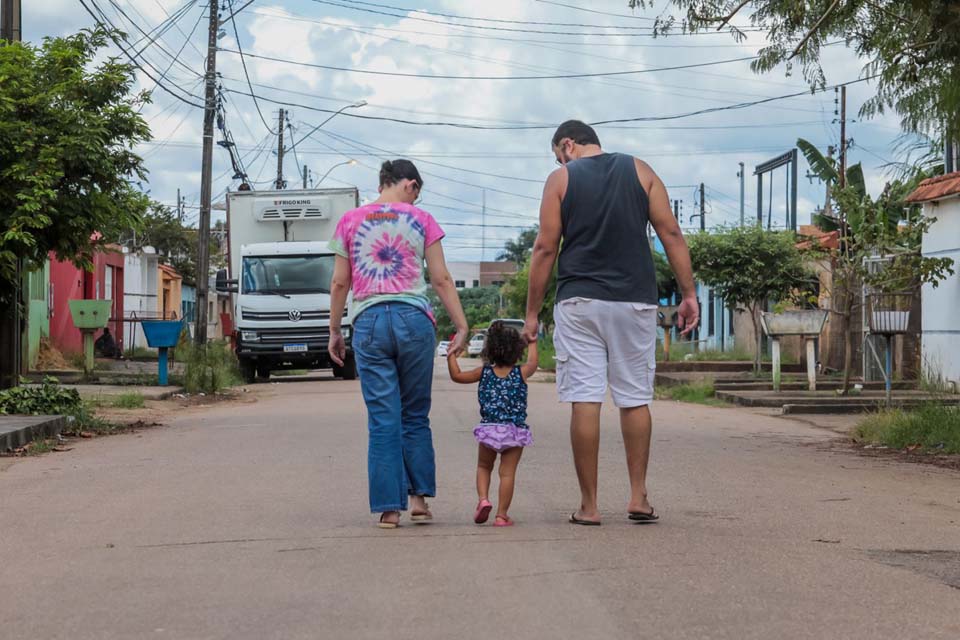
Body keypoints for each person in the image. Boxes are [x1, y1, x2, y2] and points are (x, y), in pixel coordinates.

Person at [523, 120, 699, 526]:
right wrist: (689, 294)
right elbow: (670, 232)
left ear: (567, 144)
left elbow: (546, 247)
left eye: (557, 154)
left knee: (586, 398)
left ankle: (589, 506)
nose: (558, 160)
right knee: (634, 398)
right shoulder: (641, 170)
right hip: (634, 301)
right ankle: (638, 496)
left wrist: (532, 314)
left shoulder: (560, 179)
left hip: (579, 302)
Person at [328, 159, 469, 530]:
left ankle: (389, 510)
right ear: (408, 184)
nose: (416, 199)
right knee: (414, 413)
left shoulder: (349, 221)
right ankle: (419, 500)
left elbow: (340, 282)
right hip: (413, 321)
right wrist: (461, 325)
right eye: (416, 191)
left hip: (370, 322)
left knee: (383, 419)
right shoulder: (422, 220)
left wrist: (334, 330)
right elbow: (440, 277)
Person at [447, 321, 538, 527]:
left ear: (489, 350)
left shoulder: (484, 373)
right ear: (517, 350)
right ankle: (501, 515)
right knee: (507, 473)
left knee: (483, 466)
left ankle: (483, 499)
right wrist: (532, 341)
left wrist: (451, 354)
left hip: (489, 430)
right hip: (514, 431)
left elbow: (457, 376)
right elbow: (533, 362)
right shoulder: (520, 373)